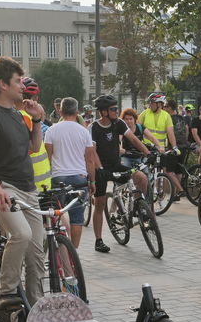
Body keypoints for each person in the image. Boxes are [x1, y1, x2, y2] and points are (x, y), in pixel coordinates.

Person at [0, 57, 47, 312]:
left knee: (37, 250)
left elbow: (33, 148)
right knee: (22, 234)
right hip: (4, 189)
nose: (22, 86)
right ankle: (5, 292)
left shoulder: (17, 114)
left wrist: (37, 121)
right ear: (3, 84)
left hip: (28, 189)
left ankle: (36, 306)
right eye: (17, 81)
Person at [88, 94, 148, 253]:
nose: (117, 111)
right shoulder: (94, 127)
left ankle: (139, 208)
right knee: (99, 204)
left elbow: (134, 139)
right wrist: (99, 169)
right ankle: (98, 240)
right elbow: (92, 152)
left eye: (116, 108)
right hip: (100, 169)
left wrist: (147, 152)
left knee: (141, 178)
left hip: (116, 164)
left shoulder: (119, 123)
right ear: (104, 112)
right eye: (113, 109)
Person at [44, 97, 97, 247]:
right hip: (79, 179)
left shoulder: (51, 130)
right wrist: (92, 181)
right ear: (77, 112)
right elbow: (90, 160)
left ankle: (57, 250)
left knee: (56, 216)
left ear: (60, 111)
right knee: (77, 219)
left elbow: (47, 158)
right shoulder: (84, 132)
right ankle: (74, 253)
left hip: (58, 178)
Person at [19, 77, 52, 193]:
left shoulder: (19, 116)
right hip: (41, 183)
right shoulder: (30, 118)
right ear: (35, 98)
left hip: (28, 185)